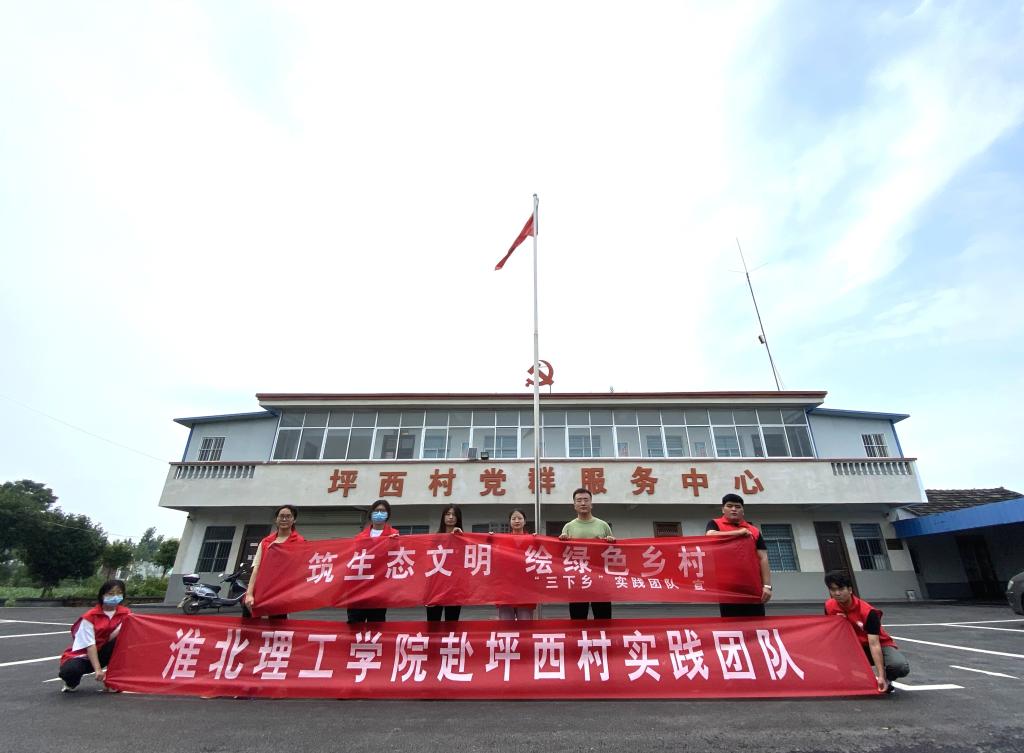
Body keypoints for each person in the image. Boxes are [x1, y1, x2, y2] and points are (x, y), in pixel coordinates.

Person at [824, 570, 910, 693]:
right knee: (832, 645)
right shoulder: (829, 606)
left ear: (850, 589)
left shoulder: (868, 612)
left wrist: (881, 676)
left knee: (899, 666)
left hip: (878, 645)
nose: (837, 593)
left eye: (841, 589)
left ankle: (887, 679)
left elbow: (874, 644)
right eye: (833, 590)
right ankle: (847, 677)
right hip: (853, 646)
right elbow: (831, 631)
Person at [705, 493, 773, 617]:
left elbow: (763, 558)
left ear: (743, 511)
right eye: (729, 506)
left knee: (757, 625)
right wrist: (738, 533)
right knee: (732, 625)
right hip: (728, 589)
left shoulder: (754, 531)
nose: (734, 509)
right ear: (723, 509)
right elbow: (710, 535)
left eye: (737, 507)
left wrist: (767, 586)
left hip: (753, 588)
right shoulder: (715, 523)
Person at [58, 579, 130, 692]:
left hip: (106, 651)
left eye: (119, 593)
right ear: (102, 595)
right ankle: (71, 683)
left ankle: (113, 681)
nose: (115, 597)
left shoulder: (126, 614)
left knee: (121, 642)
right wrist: (98, 670)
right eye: (111, 593)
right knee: (70, 671)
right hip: (85, 655)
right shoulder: (90, 617)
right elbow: (90, 645)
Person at [559, 487, 615, 620]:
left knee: (603, 618)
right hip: (577, 579)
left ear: (591, 503)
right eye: (579, 500)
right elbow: (561, 555)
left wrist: (611, 542)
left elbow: (613, 553)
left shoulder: (603, 525)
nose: (583, 503)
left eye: (586, 500)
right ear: (574, 505)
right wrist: (562, 542)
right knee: (578, 618)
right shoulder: (568, 527)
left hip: (600, 578)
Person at [244, 504, 305, 619]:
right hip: (259, 591)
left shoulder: (300, 542)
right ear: (276, 519)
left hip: (280, 594)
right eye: (281, 516)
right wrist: (249, 594)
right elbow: (256, 568)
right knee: (249, 626)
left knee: (277, 627)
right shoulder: (266, 542)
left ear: (294, 520)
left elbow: (301, 569)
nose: (284, 519)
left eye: (288, 516)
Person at [347, 499, 399, 624]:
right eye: (376, 510)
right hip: (359, 588)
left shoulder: (394, 535)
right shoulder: (360, 537)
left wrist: (394, 543)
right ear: (371, 513)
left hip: (379, 588)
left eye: (383, 511)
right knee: (355, 624)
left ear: (388, 514)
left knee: (376, 625)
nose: (379, 513)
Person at [495, 508, 536, 621]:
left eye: (520, 518)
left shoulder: (533, 540)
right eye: (514, 518)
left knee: (525, 624)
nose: (517, 521)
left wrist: (538, 540)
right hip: (505, 589)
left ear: (525, 521)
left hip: (526, 590)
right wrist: (490, 538)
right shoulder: (501, 540)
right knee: (506, 625)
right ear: (509, 522)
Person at [426, 504, 463, 622]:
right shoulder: (434, 538)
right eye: (448, 514)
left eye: (454, 515)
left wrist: (460, 537)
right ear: (443, 517)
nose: (451, 517)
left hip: (454, 588)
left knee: (452, 623)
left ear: (458, 518)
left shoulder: (463, 538)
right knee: (433, 622)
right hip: (435, 587)